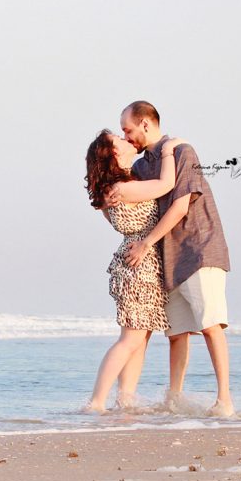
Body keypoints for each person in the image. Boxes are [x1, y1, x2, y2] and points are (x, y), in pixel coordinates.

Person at [109, 100, 235, 417]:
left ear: (146, 124)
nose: (127, 137)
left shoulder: (182, 152)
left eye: (128, 130)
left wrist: (145, 243)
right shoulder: (141, 167)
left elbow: (180, 207)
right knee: (176, 333)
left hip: (198, 249)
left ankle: (225, 400)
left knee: (210, 325)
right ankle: (174, 399)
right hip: (168, 258)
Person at [83, 129, 182, 411]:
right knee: (130, 339)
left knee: (141, 338)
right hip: (138, 266)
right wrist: (168, 150)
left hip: (140, 263)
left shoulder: (116, 189)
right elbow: (167, 184)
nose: (126, 140)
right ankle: (96, 402)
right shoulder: (122, 189)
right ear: (114, 153)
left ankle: (125, 400)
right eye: (119, 139)